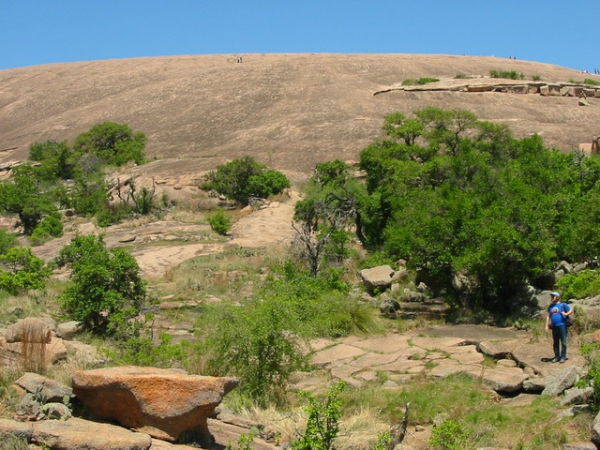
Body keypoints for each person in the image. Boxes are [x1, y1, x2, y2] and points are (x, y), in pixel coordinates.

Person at [545, 291, 572, 363]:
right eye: (551, 297)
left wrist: (566, 314)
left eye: (553, 296)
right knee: (555, 342)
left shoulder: (563, 305)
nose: (552, 298)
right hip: (554, 327)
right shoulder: (551, 306)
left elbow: (571, 310)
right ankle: (557, 357)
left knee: (563, 342)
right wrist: (546, 326)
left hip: (562, 326)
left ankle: (563, 357)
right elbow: (548, 316)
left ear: (557, 297)